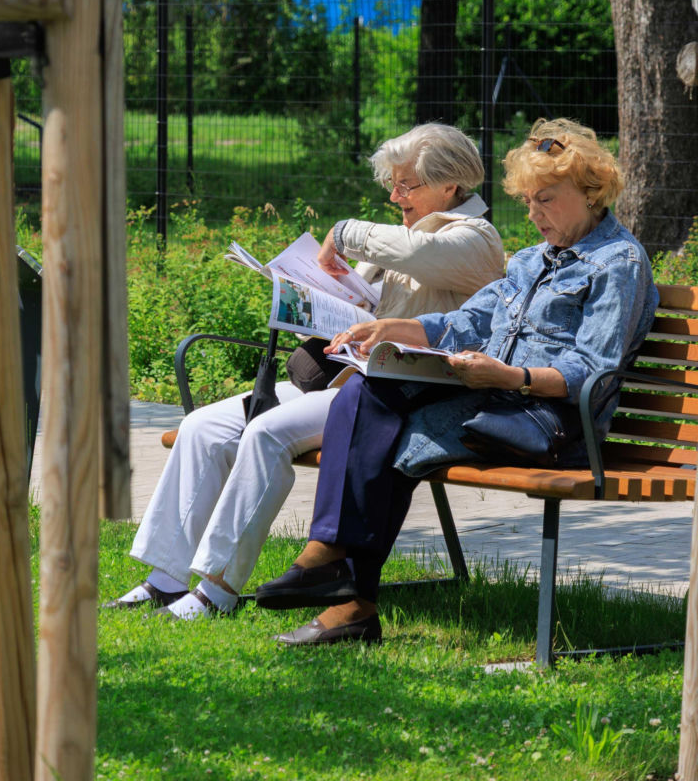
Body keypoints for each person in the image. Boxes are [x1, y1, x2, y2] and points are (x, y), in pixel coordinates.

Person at [255, 118, 659, 645]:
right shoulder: (533, 260)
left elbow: (593, 372)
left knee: (390, 433)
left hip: (555, 426)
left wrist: (508, 374)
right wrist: (393, 329)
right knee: (366, 384)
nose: (533, 213)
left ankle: (345, 594)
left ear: (591, 193)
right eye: (527, 201)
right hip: (494, 399)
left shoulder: (618, 264)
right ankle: (332, 567)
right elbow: (469, 322)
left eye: (546, 199)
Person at [105, 123, 505, 619]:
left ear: (450, 186)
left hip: (399, 393)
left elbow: (419, 257)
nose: (395, 196)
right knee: (202, 426)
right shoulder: (402, 236)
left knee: (267, 433)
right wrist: (312, 302)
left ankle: (217, 590)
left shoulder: (476, 238)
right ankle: (165, 578)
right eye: (392, 185)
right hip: (346, 376)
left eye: (407, 185)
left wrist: (342, 233)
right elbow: (361, 305)